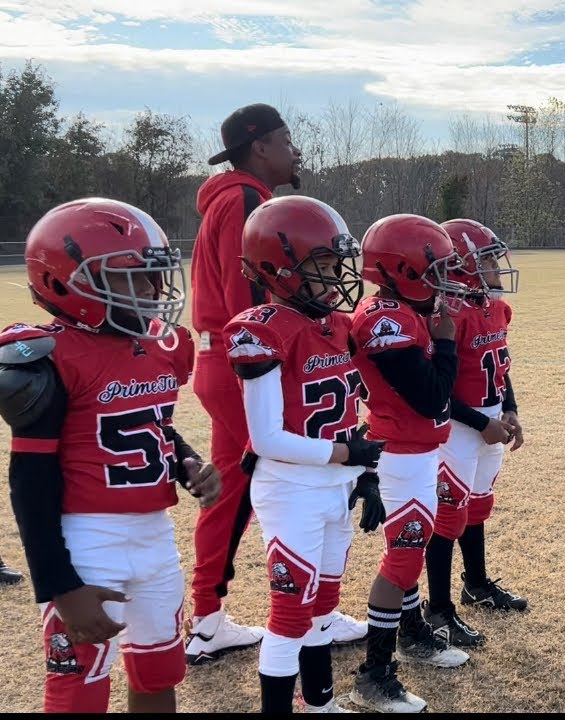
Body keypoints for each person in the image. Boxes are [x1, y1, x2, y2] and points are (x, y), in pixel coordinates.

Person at [0, 198, 222, 712]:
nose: (151, 291)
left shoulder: (161, 343)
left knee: (158, 672)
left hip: (154, 537)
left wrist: (184, 462)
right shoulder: (48, 356)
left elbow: (153, 426)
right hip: (86, 540)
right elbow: (29, 483)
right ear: (65, 281)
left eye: (153, 275)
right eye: (132, 278)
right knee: (78, 690)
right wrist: (60, 584)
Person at [187, 102, 364, 662]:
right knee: (274, 477)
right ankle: (303, 613)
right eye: (287, 140)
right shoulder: (247, 200)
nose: (295, 150)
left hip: (223, 357)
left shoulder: (234, 197)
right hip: (248, 359)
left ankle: (209, 618)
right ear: (258, 145)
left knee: (231, 492)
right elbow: (254, 297)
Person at [226, 195, 385, 713]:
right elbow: (267, 438)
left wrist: (364, 478)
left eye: (336, 263)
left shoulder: (336, 326)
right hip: (292, 489)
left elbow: (346, 415)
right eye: (322, 265)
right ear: (278, 268)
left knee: (322, 608)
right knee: (291, 616)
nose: (336, 275)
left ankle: (320, 704)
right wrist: (345, 456)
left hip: (333, 488)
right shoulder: (264, 328)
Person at [347, 214, 471, 713]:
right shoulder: (386, 321)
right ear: (404, 269)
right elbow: (431, 397)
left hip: (417, 449)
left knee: (412, 550)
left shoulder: (402, 310)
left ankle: (412, 628)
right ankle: (373, 673)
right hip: (399, 452)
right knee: (402, 557)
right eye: (435, 267)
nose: (444, 278)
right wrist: (444, 340)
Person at [421, 218, 526, 649]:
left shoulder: (494, 307)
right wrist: (484, 423)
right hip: (459, 429)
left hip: (489, 422)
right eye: (487, 261)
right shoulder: (446, 315)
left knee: (478, 505)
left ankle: (476, 584)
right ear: (463, 265)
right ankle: (439, 608)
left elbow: (500, 366)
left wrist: (511, 408)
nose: (497, 270)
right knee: (448, 516)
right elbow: (436, 391)